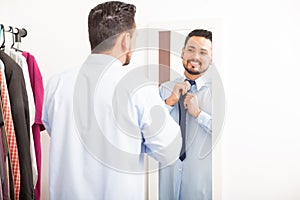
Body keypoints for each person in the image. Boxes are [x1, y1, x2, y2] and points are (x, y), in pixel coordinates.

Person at [42, 1, 181, 199]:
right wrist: (140, 140)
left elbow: (56, 131)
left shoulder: (56, 84)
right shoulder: (138, 87)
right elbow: (169, 150)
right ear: (125, 40)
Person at [159, 29, 213, 200]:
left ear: (211, 58)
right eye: (191, 49)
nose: (195, 56)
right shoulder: (164, 90)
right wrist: (170, 102)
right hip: (165, 185)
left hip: (200, 188)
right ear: (182, 53)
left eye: (203, 52)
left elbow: (227, 137)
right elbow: (151, 131)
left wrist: (198, 114)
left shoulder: (218, 94)